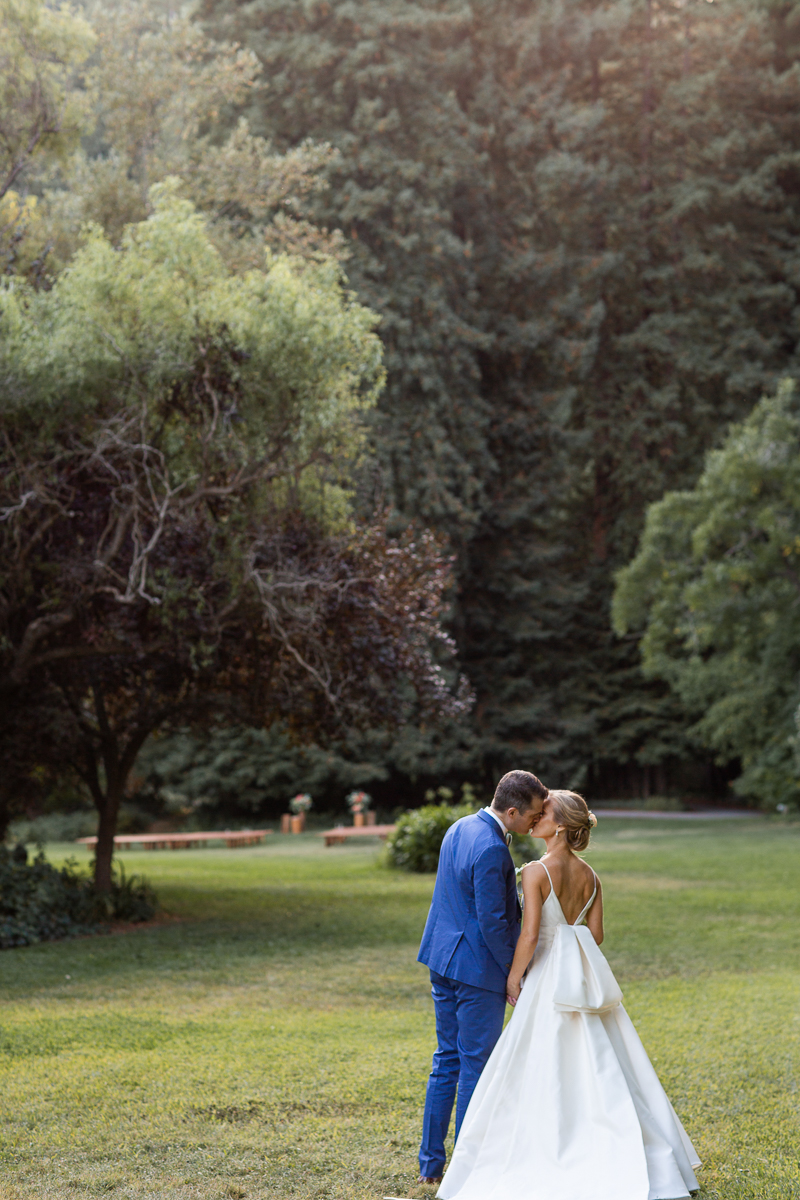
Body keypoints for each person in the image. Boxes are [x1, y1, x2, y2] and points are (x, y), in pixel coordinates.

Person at [437, 790, 701, 1200]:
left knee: (538, 1059)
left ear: (558, 825)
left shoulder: (536, 872)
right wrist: (567, 939)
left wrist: (513, 977)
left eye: (543, 813)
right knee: (600, 1061)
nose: (535, 817)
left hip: (545, 978)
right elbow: (594, 936)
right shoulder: (591, 875)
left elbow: (528, 936)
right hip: (579, 979)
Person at [416, 769, 549, 1184]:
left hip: (442, 960)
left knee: (446, 1061)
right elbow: (493, 924)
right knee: (476, 1065)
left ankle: (430, 1166)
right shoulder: (493, 848)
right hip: (476, 971)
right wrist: (517, 969)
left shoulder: (459, 827)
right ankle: (466, 1168)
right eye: (532, 815)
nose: (534, 822)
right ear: (511, 811)